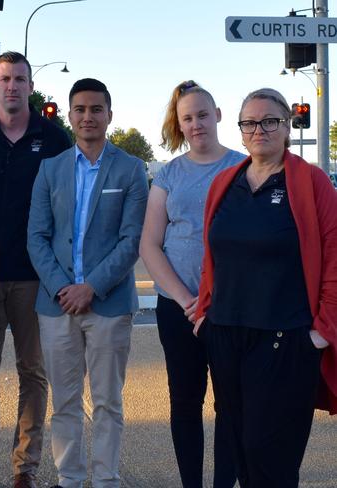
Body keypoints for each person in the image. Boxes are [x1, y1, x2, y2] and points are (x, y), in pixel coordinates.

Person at [194, 88, 337, 487]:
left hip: (286, 338)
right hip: (226, 335)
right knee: (240, 449)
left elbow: (334, 257)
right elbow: (213, 254)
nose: (260, 130)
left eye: (270, 121)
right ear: (240, 130)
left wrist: (324, 331)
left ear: (287, 126)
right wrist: (205, 311)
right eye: (250, 123)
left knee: (270, 455)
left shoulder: (310, 182)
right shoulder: (226, 182)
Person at [27, 78, 149, 488]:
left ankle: (106, 479)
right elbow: (37, 237)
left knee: (107, 402)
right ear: (70, 115)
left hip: (109, 304)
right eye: (79, 109)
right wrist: (64, 286)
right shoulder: (50, 169)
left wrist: (91, 287)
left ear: (109, 115)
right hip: (56, 305)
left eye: (96, 109)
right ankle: (69, 478)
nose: (87, 116)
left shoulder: (131, 169)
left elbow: (132, 240)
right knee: (63, 402)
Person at [0, 51, 71, 488]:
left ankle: (25, 468)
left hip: (34, 276)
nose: (12, 86)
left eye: (20, 79)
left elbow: (69, 203)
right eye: (4, 78)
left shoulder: (54, 138)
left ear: (31, 86)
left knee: (33, 372)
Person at [139, 80, 243, 488]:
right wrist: (186, 300)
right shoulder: (168, 175)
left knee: (231, 405)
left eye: (203, 114)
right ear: (179, 125)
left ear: (217, 116)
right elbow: (150, 244)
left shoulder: (242, 168)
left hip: (230, 308)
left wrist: (214, 301)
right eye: (188, 118)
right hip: (177, 307)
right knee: (185, 401)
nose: (196, 123)